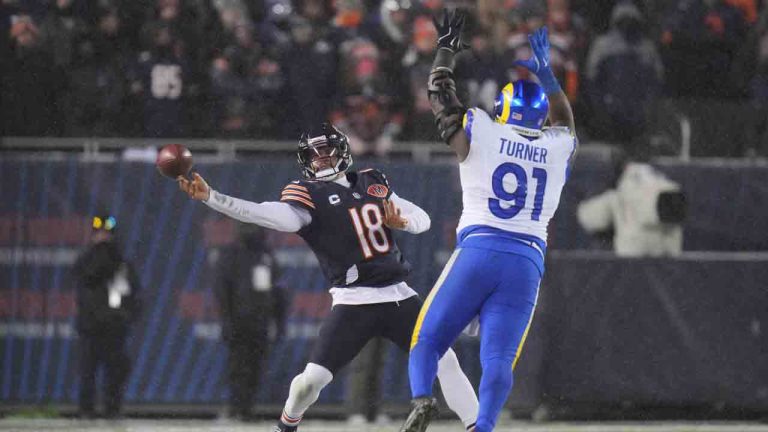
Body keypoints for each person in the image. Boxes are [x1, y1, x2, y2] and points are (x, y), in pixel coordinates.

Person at [177, 123, 479, 432]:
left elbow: (422, 218)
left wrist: (404, 223)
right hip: (354, 302)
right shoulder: (308, 194)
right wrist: (212, 197)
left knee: (446, 360)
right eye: (314, 155)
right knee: (311, 381)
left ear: (342, 151)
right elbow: (261, 213)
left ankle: (478, 427)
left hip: (399, 296)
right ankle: (285, 425)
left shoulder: (372, 180)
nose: (321, 158)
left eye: (326, 151)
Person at [401, 14, 577, 432]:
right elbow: (566, 123)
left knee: (426, 339)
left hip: (479, 249)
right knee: (498, 358)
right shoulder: (558, 147)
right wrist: (548, 77)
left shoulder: (481, 130)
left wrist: (446, 50)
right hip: (526, 260)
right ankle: (483, 426)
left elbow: (439, 94)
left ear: (501, 111)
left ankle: (422, 398)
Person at [215, 224, 288, 421]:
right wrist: (227, 320)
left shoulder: (266, 255)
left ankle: (247, 408)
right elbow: (222, 290)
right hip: (238, 320)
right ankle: (235, 407)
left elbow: (278, 291)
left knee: (256, 366)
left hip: (261, 320)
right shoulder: (230, 255)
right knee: (238, 366)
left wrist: (279, 321)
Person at [73, 213, 141, 419]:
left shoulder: (121, 263)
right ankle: (86, 410)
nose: (103, 236)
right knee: (88, 371)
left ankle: (112, 409)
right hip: (91, 327)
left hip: (114, 326)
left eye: (106, 233)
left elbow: (131, 293)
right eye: (99, 232)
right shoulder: (86, 260)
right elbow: (87, 279)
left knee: (115, 372)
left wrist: (127, 316)